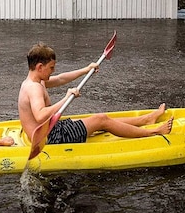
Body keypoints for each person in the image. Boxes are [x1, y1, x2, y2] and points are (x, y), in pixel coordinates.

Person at [18, 42, 173, 146]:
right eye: (51, 67)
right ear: (40, 67)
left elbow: (60, 79)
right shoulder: (34, 88)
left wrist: (86, 69)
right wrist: (65, 98)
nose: (53, 71)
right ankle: (154, 131)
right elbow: (39, 115)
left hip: (52, 129)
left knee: (98, 119)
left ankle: (146, 119)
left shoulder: (35, 81)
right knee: (101, 119)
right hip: (50, 138)